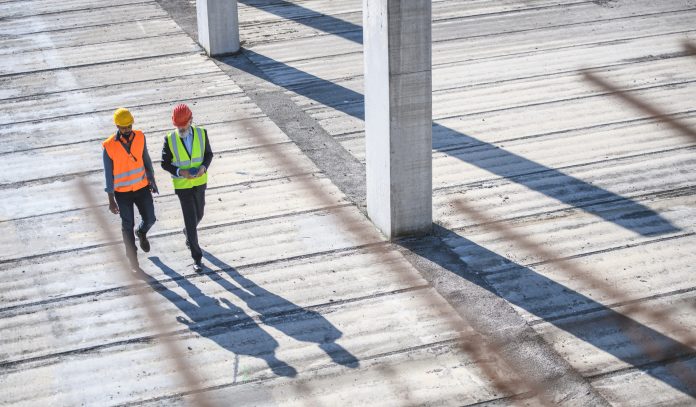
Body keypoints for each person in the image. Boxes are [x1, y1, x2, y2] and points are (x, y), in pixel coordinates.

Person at [103, 107, 158, 272]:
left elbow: (146, 159)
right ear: (117, 126)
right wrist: (111, 199)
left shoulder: (140, 137)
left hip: (142, 188)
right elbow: (108, 174)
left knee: (151, 219)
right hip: (122, 193)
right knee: (127, 226)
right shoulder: (109, 146)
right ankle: (133, 261)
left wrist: (152, 180)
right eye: (123, 127)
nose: (127, 130)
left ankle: (141, 232)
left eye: (129, 126)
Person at [161, 103, 213, 273]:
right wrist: (179, 171)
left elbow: (208, 155)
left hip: (199, 182)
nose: (180, 128)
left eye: (183, 125)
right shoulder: (170, 139)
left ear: (191, 120)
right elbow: (164, 163)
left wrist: (204, 167)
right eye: (177, 125)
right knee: (191, 221)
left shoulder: (201, 133)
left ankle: (187, 232)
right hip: (182, 186)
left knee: (200, 214)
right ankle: (197, 258)